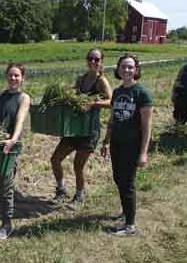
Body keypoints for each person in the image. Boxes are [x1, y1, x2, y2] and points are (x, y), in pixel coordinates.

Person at [51, 48, 112, 209]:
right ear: (86, 60)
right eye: (90, 58)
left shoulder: (101, 81)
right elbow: (73, 96)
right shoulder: (81, 79)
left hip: (89, 131)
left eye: (96, 59)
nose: (93, 62)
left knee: (78, 165)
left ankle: (79, 196)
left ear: (101, 62)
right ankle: (61, 190)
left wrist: (93, 103)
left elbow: (111, 101)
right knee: (55, 159)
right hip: (74, 129)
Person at [101, 54, 152, 236]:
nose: (127, 70)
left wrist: (143, 152)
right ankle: (126, 212)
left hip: (133, 145)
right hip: (117, 143)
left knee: (127, 183)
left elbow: (147, 127)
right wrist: (106, 141)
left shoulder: (142, 94)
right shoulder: (117, 92)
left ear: (136, 70)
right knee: (118, 178)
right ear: (118, 69)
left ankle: (130, 226)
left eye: (131, 67)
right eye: (124, 67)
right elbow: (113, 119)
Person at [0, 63, 31, 240]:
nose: (13, 78)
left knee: (5, 187)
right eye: (10, 75)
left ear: (22, 78)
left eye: (17, 75)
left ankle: (6, 225)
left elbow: (20, 119)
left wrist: (13, 139)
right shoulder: (0, 95)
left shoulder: (23, 98)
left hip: (10, 147)